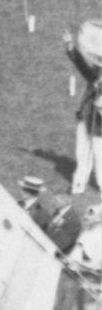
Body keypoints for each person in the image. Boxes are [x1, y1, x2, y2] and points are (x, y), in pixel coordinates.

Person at [64, 30, 102, 195]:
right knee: (82, 152)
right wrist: (70, 46)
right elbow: (83, 68)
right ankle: (78, 184)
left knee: (100, 158)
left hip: (100, 125)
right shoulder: (96, 72)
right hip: (86, 117)